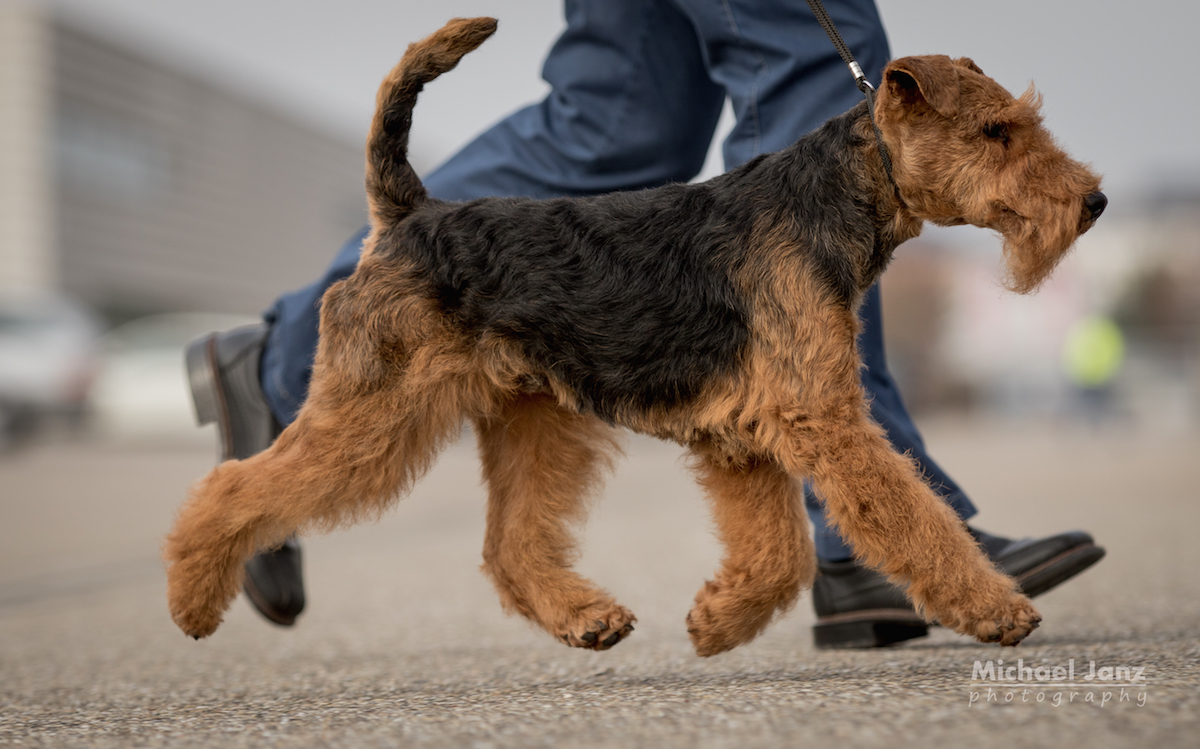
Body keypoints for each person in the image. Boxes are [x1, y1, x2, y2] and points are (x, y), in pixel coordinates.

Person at [188, 0, 1104, 648]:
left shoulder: (809, 252)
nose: (1043, 167)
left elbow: (737, 433)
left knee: (620, 123)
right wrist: (973, 597)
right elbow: (827, 440)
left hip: (556, 303)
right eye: (999, 138)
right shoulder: (814, 225)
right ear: (905, 105)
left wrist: (755, 580)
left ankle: (723, 576)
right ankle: (219, 518)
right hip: (438, 289)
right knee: (813, 59)